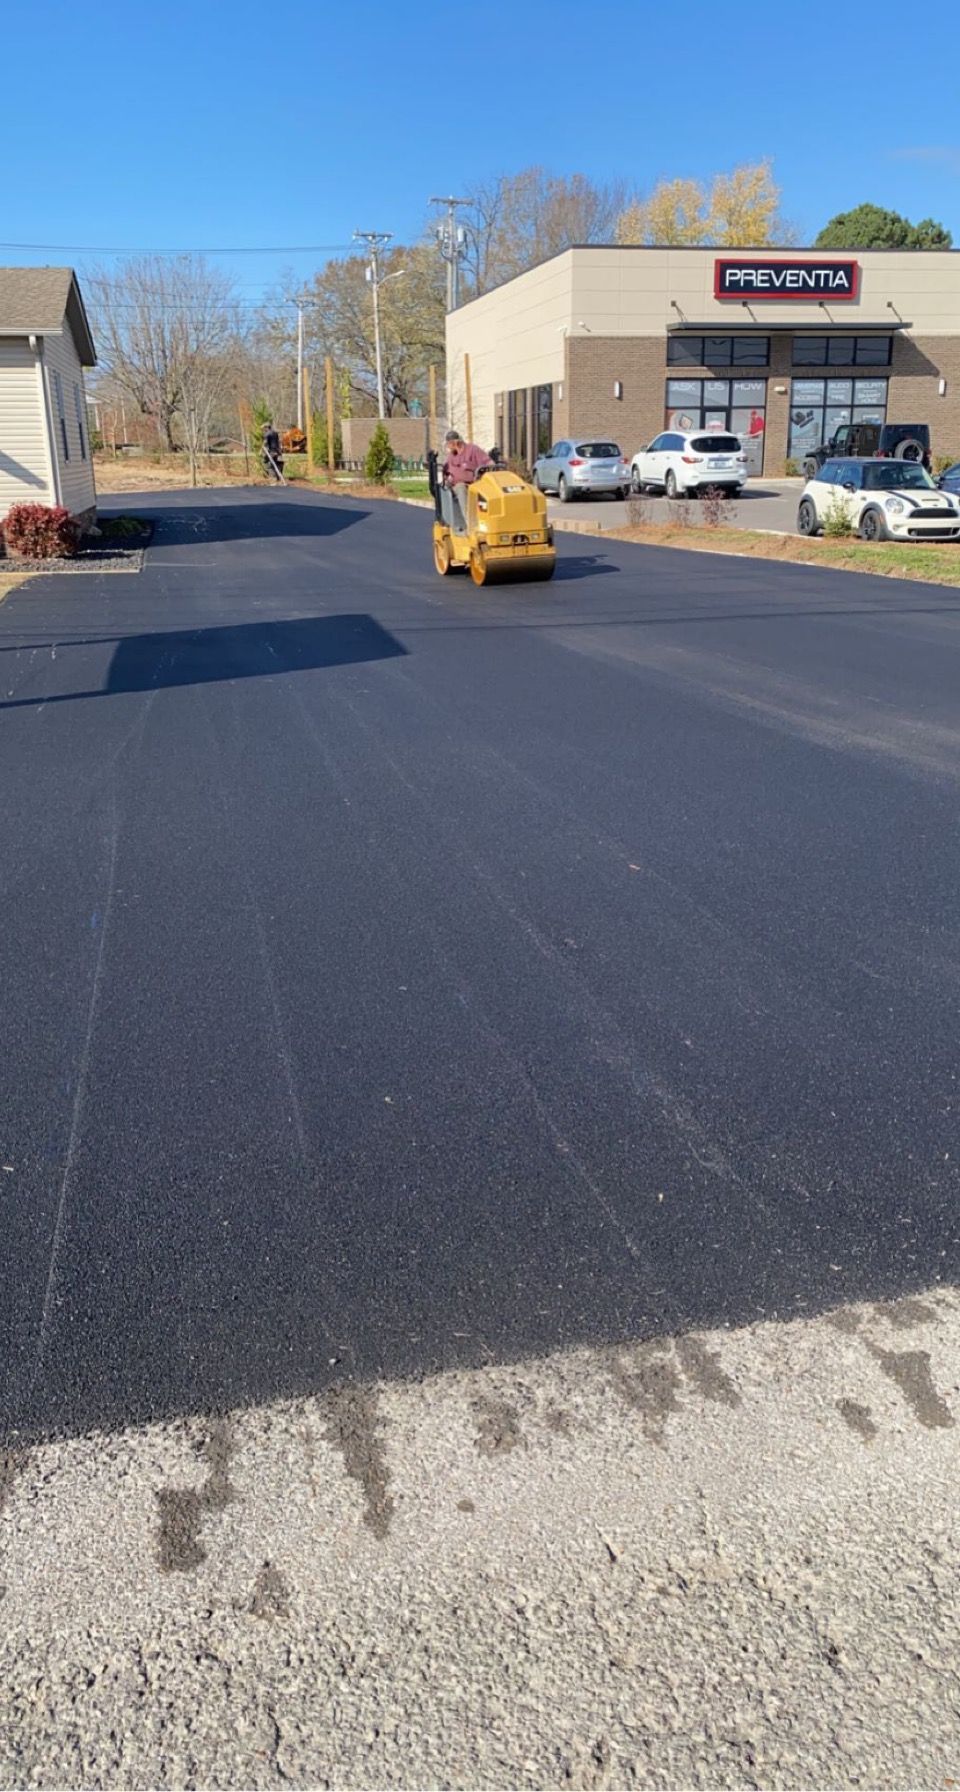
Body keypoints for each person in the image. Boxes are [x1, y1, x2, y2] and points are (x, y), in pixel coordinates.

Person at [442, 428, 490, 530]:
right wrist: (447, 482)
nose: (449, 447)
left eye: (449, 444)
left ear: (455, 443)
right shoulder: (452, 456)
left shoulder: (473, 450)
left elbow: (488, 462)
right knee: (459, 487)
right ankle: (470, 525)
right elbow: (448, 473)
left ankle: (481, 524)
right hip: (458, 486)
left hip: (475, 484)